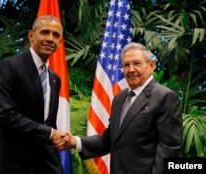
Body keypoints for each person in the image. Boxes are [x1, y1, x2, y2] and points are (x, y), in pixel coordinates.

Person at [63, 42, 183, 174]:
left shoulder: (164, 97)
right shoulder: (119, 98)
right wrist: (75, 141)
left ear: (151, 66)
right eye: (126, 65)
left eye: (137, 63)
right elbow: (110, 140)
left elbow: (169, 149)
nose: (131, 69)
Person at [0, 15, 68, 174]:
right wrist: (51, 133)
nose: (50, 38)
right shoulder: (10, 66)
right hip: (5, 165)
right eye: (45, 32)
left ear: (60, 41)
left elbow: (48, 123)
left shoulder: (54, 79)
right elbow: (5, 115)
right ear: (31, 35)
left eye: (56, 35)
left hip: (39, 165)